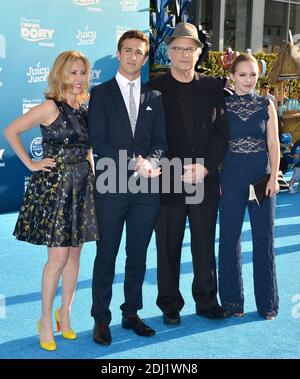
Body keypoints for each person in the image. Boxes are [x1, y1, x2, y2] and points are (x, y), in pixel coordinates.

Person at [4, 51, 98, 351]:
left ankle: (65, 314)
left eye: (82, 72)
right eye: (73, 72)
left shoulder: (85, 107)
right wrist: (32, 165)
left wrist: (94, 176)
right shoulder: (49, 107)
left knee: (74, 256)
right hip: (57, 188)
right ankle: (45, 319)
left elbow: (88, 150)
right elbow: (10, 130)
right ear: (60, 75)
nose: (79, 78)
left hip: (82, 185)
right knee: (56, 259)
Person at [88, 30, 167, 345]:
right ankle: (100, 319)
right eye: (128, 50)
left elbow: (162, 142)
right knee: (106, 254)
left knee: (137, 254)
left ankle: (131, 312)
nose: (134, 56)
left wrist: (152, 162)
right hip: (111, 185)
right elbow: (99, 142)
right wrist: (132, 162)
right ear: (119, 53)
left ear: (146, 58)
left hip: (147, 190)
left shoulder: (155, 97)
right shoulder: (101, 93)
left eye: (140, 52)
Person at [149, 22, 230, 325]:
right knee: (167, 245)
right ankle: (170, 303)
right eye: (178, 48)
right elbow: (149, 135)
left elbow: (223, 133)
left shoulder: (212, 87)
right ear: (168, 52)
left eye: (190, 48)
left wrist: (206, 166)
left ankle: (207, 301)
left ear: (199, 52)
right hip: (168, 179)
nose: (184, 54)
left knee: (204, 243)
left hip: (203, 179)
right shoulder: (154, 87)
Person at [218, 53, 280, 320]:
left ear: (259, 75)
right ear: (232, 76)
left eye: (253, 74)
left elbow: (274, 144)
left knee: (263, 239)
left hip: (261, 180)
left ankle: (267, 303)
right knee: (230, 239)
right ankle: (232, 302)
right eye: (242, 74)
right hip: (231, 178)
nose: (248, 80)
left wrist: (275, 176)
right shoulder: (223, 105)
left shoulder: (267, 104)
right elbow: (216, 144)